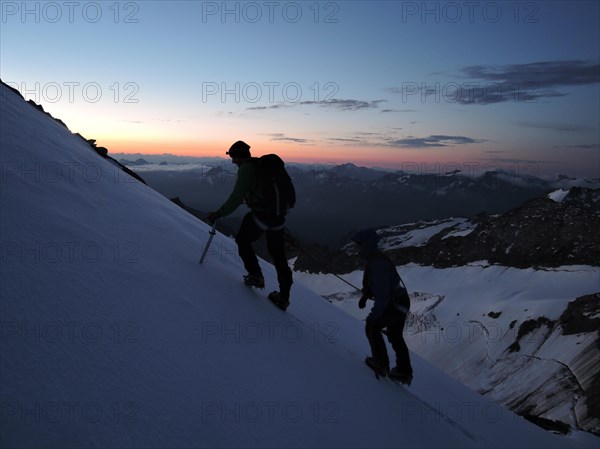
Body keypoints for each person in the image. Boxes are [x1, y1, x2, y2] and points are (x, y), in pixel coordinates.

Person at [208, 141, 293, 310]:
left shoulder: (246, 169)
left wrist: (219, 213)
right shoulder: (260, 166)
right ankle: (284, 297)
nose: (232, 161)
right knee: (278, 256)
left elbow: (237, 196)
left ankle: (255, 276)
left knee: (242, 240)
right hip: (278, 217)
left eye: (233, 157)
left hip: (261, 215)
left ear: (238, 156)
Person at [352, 228, 413, 384]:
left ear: (365, 245)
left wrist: (374, 314)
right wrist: (365, 297)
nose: (357, 247)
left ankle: (380, 363)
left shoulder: (377, 263)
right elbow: (380, 287)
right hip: (401, 300)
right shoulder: (376, 259)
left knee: (372, 326)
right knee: (395, 335)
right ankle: (404, 371)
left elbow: (382, 293)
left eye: (359, 244)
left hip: (394, 302)